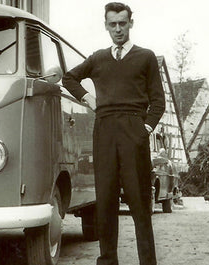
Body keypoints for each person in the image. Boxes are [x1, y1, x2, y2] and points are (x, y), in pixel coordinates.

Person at [62, 2, 165, 265]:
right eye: (112, 24)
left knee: (140, 205)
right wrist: (88, 99)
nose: (118, 29)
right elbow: (69, 78)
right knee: (105, 203)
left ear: (131, 22)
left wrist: (145, 129)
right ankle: (108, 261)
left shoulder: (146, 57)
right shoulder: (98, 57)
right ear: (106, 25)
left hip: (134, 130)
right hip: (104, 130)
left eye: (122, 23)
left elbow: (158, 102)